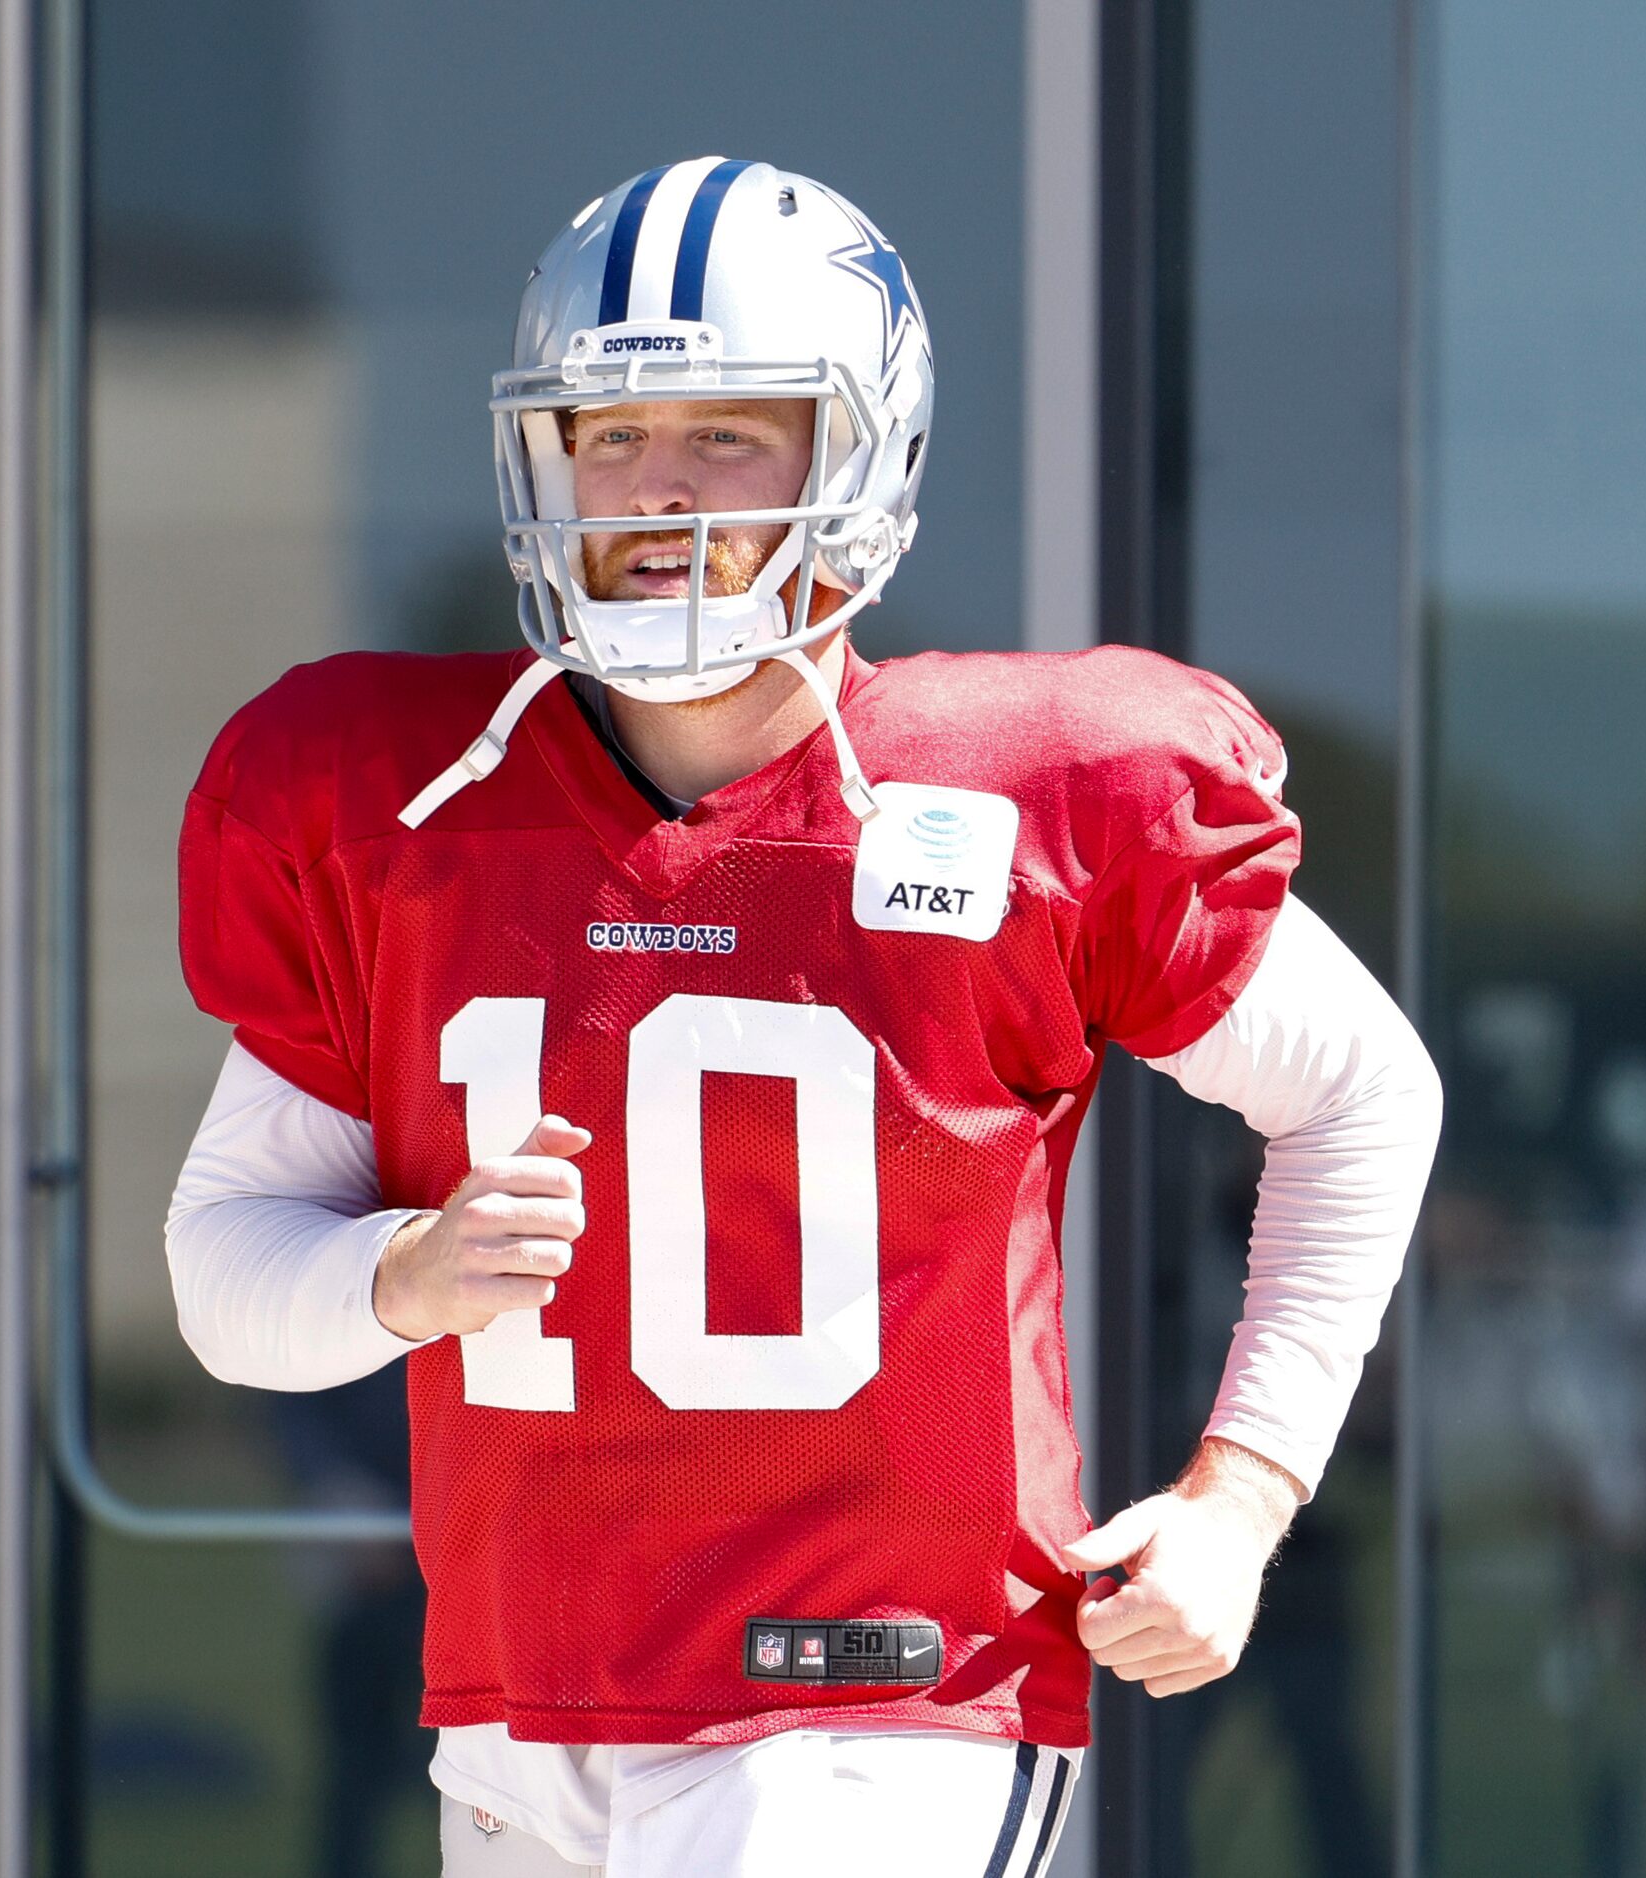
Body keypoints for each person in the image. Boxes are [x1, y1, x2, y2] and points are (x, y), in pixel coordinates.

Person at [165, 158, 1442, 1877]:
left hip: (874, 1711)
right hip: (519, 1718)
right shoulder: (394, 804)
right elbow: (225, 1271)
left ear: (857, 459)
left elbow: (1366, 1090)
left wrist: (1245, 1493)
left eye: (726, 433)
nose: (655, 488)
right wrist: (399, 1274)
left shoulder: (1027, 789)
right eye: (608, 436)